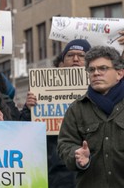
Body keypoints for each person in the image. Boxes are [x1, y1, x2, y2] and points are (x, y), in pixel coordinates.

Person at [27, 39, 91, 188]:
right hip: (57, 172)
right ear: (63, 60)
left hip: (91, 172)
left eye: (81, 55)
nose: (75, 59)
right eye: (70, 55)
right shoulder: (41, 91)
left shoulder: (103, 89)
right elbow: (29, 133)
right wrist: (28, 108)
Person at [58, 46, 124, 187]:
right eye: (92, 70)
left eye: (103, 68)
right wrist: (76, 155)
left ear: (119, 73)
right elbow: (65, 143)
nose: (96, 73)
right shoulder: (77, 108)